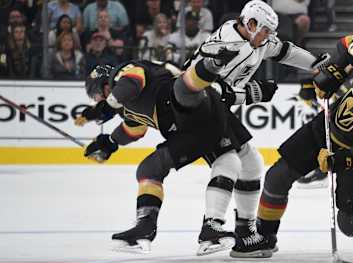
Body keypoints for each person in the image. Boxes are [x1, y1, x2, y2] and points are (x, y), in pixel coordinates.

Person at [178, 0, 330, 258]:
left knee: (250, 164)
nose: (268, 37)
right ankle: (213, 230)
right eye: (265, 31)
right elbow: (207, 88)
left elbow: (284, 50)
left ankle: (244, 235)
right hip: (196, 108)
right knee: (232, 163)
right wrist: (251, 93)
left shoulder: (252, 37)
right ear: (250, 24)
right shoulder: (228, 45)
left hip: (214, 109)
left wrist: (316, 65)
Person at [240, 35, 353, 255]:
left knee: (351, 226)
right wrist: (334, 72)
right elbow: (348, 42)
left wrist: (341, 160)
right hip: (325, 128)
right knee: (276, 176)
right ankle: (265, 237)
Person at [73, 60, 237, 252]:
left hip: (188, 109)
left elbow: (134, 81)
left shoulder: (123, 74)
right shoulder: (124, 104)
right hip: (193, 124)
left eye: (98, 94)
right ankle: (207, 228)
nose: (99, 99)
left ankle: (148, 227)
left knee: (152, 168)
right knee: (151, 168)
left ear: (106, 83)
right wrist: (110, 142)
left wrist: (104, 108)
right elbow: (134, 130)